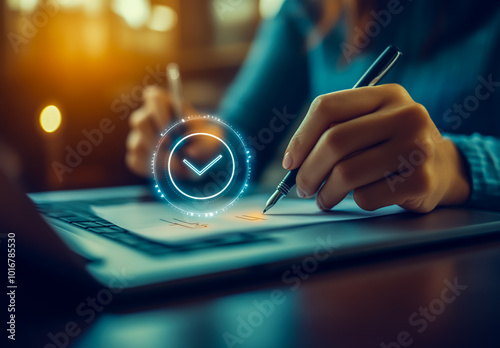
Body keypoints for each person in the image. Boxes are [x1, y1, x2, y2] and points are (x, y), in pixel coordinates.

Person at [126, 0, 500, 212]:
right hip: (343, 261)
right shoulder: (307, 11)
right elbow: (241, 142)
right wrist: (196, 151)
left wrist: (456, 166)